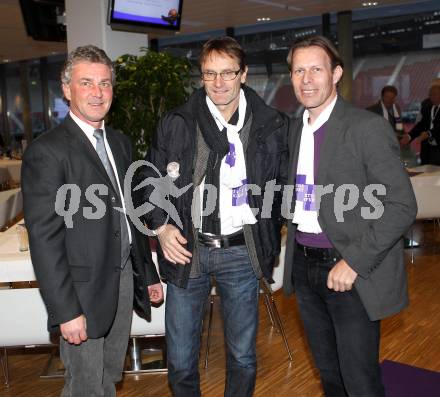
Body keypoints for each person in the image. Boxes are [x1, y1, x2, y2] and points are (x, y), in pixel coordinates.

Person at [138, 36, 288, 396]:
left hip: (242, 251)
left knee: (242, 356)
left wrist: (271, 227)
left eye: (227, 73)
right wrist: (160, 226)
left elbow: (284, 187)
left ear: (244, 74)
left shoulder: (272, 124)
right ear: (201, 76)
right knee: (181, 357)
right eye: (210, 74)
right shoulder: (177, 122)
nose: (219, 83)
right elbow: (147, 178)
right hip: (188, 250)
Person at [21, 45, 163, 397]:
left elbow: (132, 214)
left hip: (122, 281)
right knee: (85, 386)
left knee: (108, 377)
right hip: (81, 293)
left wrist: (148, 276)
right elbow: (45, 240)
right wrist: (66, 311)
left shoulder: (119, 142)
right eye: (87, 83)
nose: (97, 93)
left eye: (105, 84)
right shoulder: (47, 151)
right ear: (67, 89)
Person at [282, 36, 417, 397]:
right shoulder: (296, 131)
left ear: (336, 74)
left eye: (316, 69)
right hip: (305, 271)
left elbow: (402, 205)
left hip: (350, 273)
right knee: (330, 377)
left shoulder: (365, 128)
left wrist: (353, 262)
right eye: (298, 70)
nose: (306, 79)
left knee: (360, 383)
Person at [408, 84, 440, 165]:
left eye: (434, 94)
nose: (431, 97)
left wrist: (429, 133)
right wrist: (409, 136)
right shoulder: (428, 107)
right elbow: (421, 125)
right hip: (429, 149)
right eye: (430, 95)